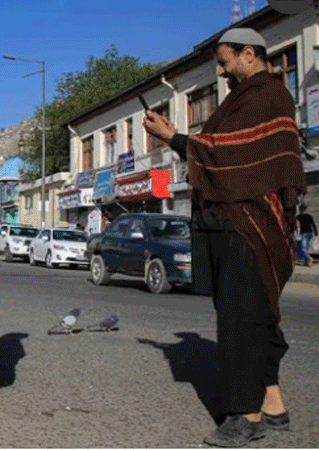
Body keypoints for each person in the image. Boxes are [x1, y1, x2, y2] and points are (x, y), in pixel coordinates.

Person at [143, 28, 306, 447]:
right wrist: (178, 137)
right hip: (229, 223)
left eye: (225, 60)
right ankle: (273, 405)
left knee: (240, 321)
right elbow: (216, 147)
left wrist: (175, 139)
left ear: (249, 54)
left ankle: (245, 415)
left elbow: (231, 152)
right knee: (253, 315)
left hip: (248, 226)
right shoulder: (242, 98)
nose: (220, 70)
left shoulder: (266, 95)